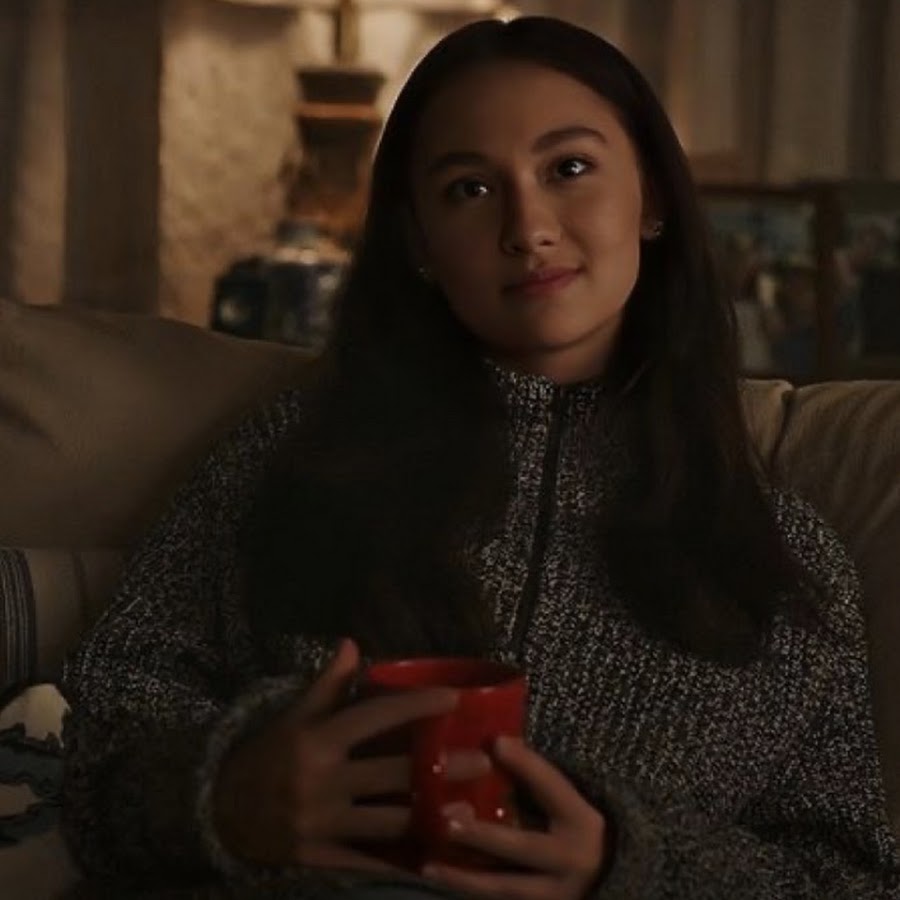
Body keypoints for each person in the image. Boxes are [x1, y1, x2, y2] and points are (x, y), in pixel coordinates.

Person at [60, 16, 900, 900]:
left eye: (568, 169)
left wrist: (632, 864)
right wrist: (227, 799)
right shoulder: (296, 459)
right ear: (419, 241)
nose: (527, 228)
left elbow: (850, 879)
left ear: (651, 197)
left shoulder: (784, 561)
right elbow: (101, 743)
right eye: (469, 188)